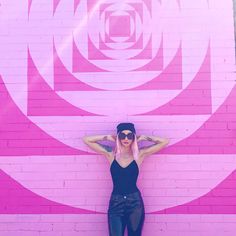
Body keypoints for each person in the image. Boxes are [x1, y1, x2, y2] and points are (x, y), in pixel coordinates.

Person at [83, 122, 169, 236]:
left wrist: (142, 138)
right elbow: (86, 139)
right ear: (118, 137)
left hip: (135, 203)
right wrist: (108, 137)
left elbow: (164, 141)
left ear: (133, 137)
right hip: (116, 203)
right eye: (122, 135)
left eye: (130, 135)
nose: (126, 139)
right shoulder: (110, 154)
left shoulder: (139, 155)